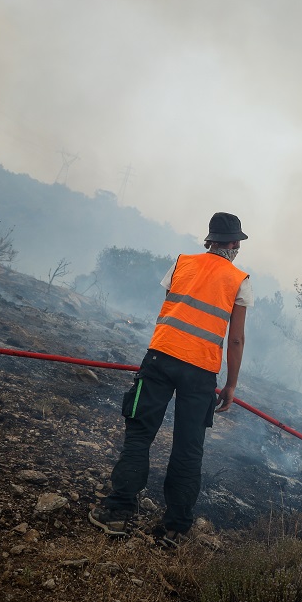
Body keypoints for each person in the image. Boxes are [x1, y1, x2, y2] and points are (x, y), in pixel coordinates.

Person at [89, 212, 252, 546]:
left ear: (209, 240)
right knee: (188, 449)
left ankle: (117, 513)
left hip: (161, 357)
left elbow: (168, 308)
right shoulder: (240, 280)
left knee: (139, 435)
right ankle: (175, 530)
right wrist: (231, 385)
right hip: (201, 372)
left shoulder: (182, 262)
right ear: (234, 244)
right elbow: (235, 340)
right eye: (237, 242)